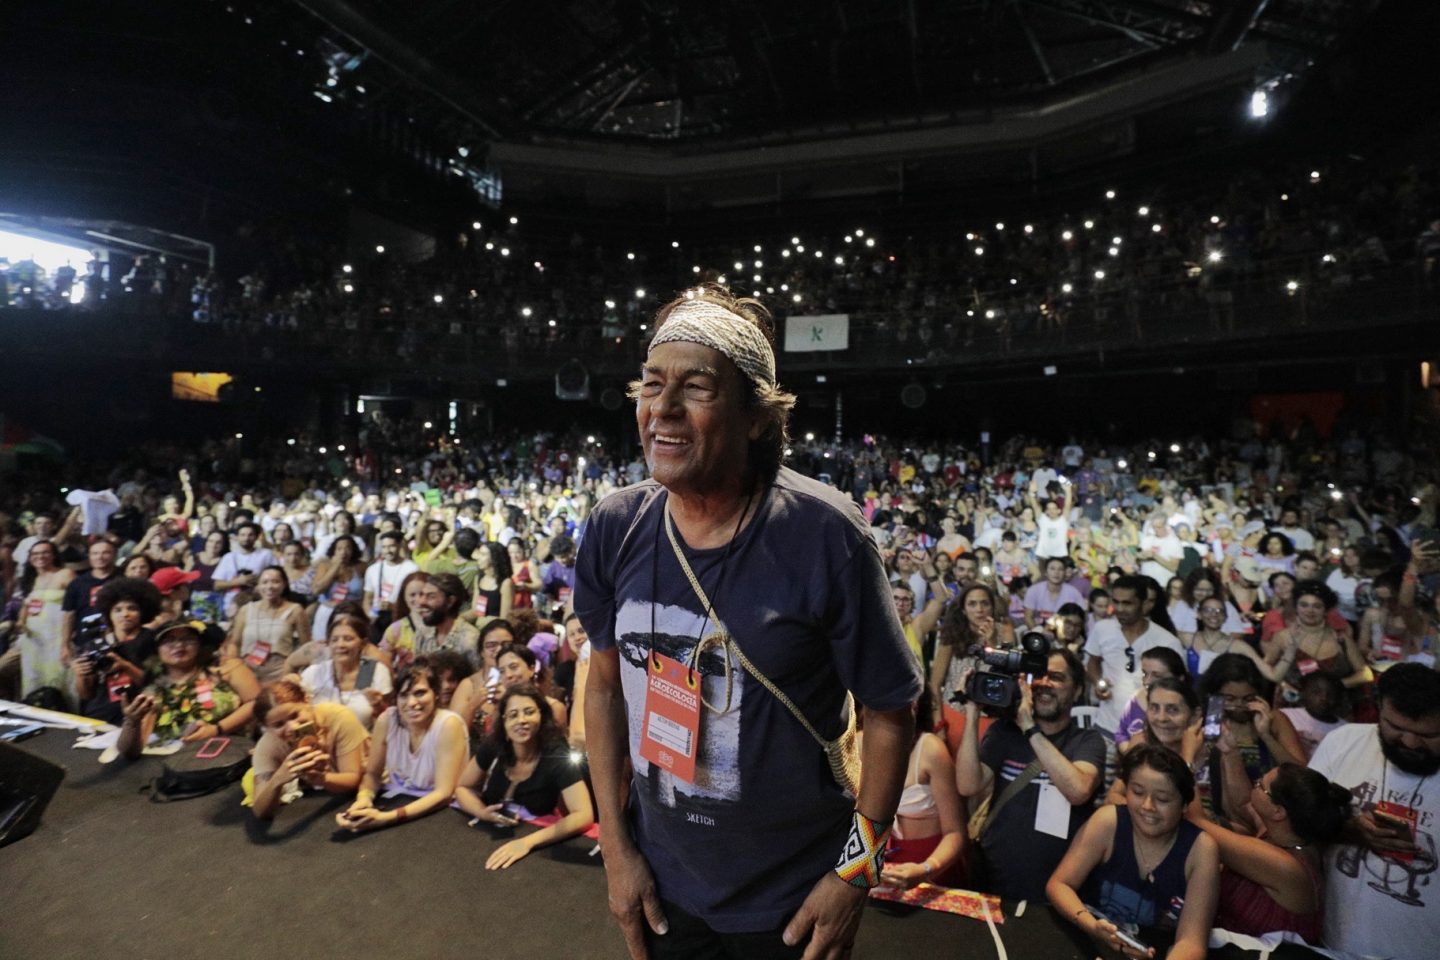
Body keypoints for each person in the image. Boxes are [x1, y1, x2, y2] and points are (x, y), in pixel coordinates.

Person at [575, 285, 921, 957]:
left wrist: (856, 871)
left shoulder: (825, 535)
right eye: (651, 386)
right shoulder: (615, 524)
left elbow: (891, 713)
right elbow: (604, 687)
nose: (663, 411)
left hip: (793, 903)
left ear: (757, 416)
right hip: (665, 886)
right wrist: (616, 852)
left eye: (697, 389)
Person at [1307, 663, 1440, 960]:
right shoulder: (1343, 742)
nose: (1410, 742)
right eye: (1397, 728)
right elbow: (1298, 822)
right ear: (1378, 707)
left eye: (1428, 734)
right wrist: (1347, 829)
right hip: (1335, 945)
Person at [954, 649, 1106, 901]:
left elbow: (1078, 790)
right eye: (1039, 676)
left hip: (1059, 887)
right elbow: (968, 785)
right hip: (996, 877)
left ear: (1077, 691)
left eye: (1056, 677)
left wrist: (1029, 727)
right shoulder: (1004, 732)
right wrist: (972, 712)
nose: (1045, 684)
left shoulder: (1087, 741)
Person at [1047, 744, 1220, 960]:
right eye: (1137, 792)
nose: (1148, 806)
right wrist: (1091, 925)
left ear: (1185, 804)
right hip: (1085, 941)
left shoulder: (1201, 849)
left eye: (1163, 799)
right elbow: (1059, 884)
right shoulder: (1108, 821)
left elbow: (1191, 942)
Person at [1194, 756, 1349, 942]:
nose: (1256, 782)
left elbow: (1195, 822)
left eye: (1261, 785)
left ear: (1278, 811)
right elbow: (1243, 803)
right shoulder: (1286, 833)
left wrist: (1189, 761)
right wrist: (1229, 752)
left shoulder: (1284, 866)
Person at [454, 683, 595, 870]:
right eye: (513, 715)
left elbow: (584, 815)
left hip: (535, 847)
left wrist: (526, 843)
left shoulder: (555, 754)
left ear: (542, 715)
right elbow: (462, 787)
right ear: (503, 721)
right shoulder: (494, 744)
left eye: (529, 712)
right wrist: (481, 812)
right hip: (485, 837)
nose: (521, 720)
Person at [336, 656, 469, 833]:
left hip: (442, 814)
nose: (412, 703)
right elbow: (373, 774)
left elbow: (443, 793)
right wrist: (364, 799)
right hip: (399, 798)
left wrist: (385, 818)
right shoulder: (387, 720)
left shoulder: (449, 725)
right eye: (404, 695)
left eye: (420, 693)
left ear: (436, 694)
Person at [117, 619, 261, 758]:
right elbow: (130, 752)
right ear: (157, 650)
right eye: (169, 640)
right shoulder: (154, 689)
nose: (179, 645)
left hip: (233, 752)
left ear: (200, 644)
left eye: (188, 639)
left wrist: (217, 729)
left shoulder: (225, 667)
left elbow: (257, 702)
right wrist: (131, 721)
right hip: (181, 761)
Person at [1196, 654, 1306, 824]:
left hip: (1263, 819)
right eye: (1230, 699)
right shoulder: (1203, 721)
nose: (1240, 706)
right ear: (1214, 695)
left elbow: (1302, 775)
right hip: (1207, 819)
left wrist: (1266, 736)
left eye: (1247, 699)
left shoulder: (1275, 720)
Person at [873, 690, 967, 888]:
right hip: (881, 869)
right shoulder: (859, 744)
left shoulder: (931, 749)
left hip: (933, 867)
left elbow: (956, 833)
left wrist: (926, 869)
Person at [250, 679, 369, 821]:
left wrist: (321, 779)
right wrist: (278, 779)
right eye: (278, 725)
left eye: (295, 715)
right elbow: (260, 811)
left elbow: (353, 779)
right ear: (266, 728)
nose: (293, 727)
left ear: (306, 701)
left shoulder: (338, 717)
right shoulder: (267, 747)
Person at [1085, 575, 1184, 737]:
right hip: (1106, 727)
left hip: (1149, 733)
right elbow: (1093, 662)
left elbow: (1179, 686)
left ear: (1144, 604)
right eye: (1116, 602)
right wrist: (1098, 683)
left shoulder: (1167, 641)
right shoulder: (1102, 629)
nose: (1120, 609)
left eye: (1127, 603)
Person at [930, 583, 1016, 750]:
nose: (979, 609)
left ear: (992, 607)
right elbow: (934, 684)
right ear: (963, 609)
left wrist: (991, 641)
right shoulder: (952, 634)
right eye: (972, 604)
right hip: (955, 714)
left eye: (985, 603)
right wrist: (938, 725)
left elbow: (1006, 675)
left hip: (990, 718)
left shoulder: (1004, 631)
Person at [72, 577, 161, 723]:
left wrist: (124, 666)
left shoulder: (154, 640)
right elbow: (86, 695)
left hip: (141, 715)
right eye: (118, 610)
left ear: (143, 612)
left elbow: (156, 684)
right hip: (101, 714)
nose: (125, 614)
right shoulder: (95, 644)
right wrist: (80, 675)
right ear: (109, 614)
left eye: (132, 608)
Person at [300, 609, 393, 729]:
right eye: (335, 640)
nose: (340, 645)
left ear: (363, 644)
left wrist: (378, 706)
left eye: (348, 639)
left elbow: (387, 721)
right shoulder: (313, 673)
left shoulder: (375, 671)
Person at [15, 539, 76, 704]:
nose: (40, 556)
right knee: (34, 675)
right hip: (34, 638)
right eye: (35, 554)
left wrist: (68, 639)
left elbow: (75, 604)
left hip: (58, 634)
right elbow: (26, 604)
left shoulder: (65, 574)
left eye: (45, 552)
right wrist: (21, 622)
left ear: (53, 555)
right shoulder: (31, 579)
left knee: (61, 674)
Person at [225, 566, 309, 682]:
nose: (269, 586)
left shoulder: (296, 610)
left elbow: (307, 646)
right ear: (258, 586)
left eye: (275, 582)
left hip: (280, 673)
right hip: (247, 671)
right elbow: (235, 643)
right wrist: (231, 666)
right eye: (264, 582)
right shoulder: (246, 610)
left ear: (284, 584)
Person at [1112, 649, 1190, 753]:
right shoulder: (1135, 698)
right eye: (1144, 674)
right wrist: (1131, 755)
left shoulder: (1190, 707)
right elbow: (1121, 734)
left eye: (1157, 676)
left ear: (1179, 678)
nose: (1147, 681)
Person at [60, 538, 118, 661]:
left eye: (105, 553)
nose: (100, 557)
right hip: (85, 641)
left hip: (118, 639)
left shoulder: (123, 580)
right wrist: (65, 644)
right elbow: (69, 615)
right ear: (89, 556)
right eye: (95, 553)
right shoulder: (77, 583)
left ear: (114, 555)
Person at [1279, 672, 1347, 760]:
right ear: (1303, 693)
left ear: (1339, 698)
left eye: (1331, 694)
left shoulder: (1346, 729)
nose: (1324, 698)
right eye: (1316, 692)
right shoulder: (1285, 716)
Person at [310, 535, 364, 642]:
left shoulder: (361, 566)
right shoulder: (325, 565)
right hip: (328, 611)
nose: (343, 552)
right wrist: (335, 567)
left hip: (352, 613)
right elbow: (316, 590)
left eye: (347, 548)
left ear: (353, 550)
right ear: (334, 551)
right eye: (339, 548)